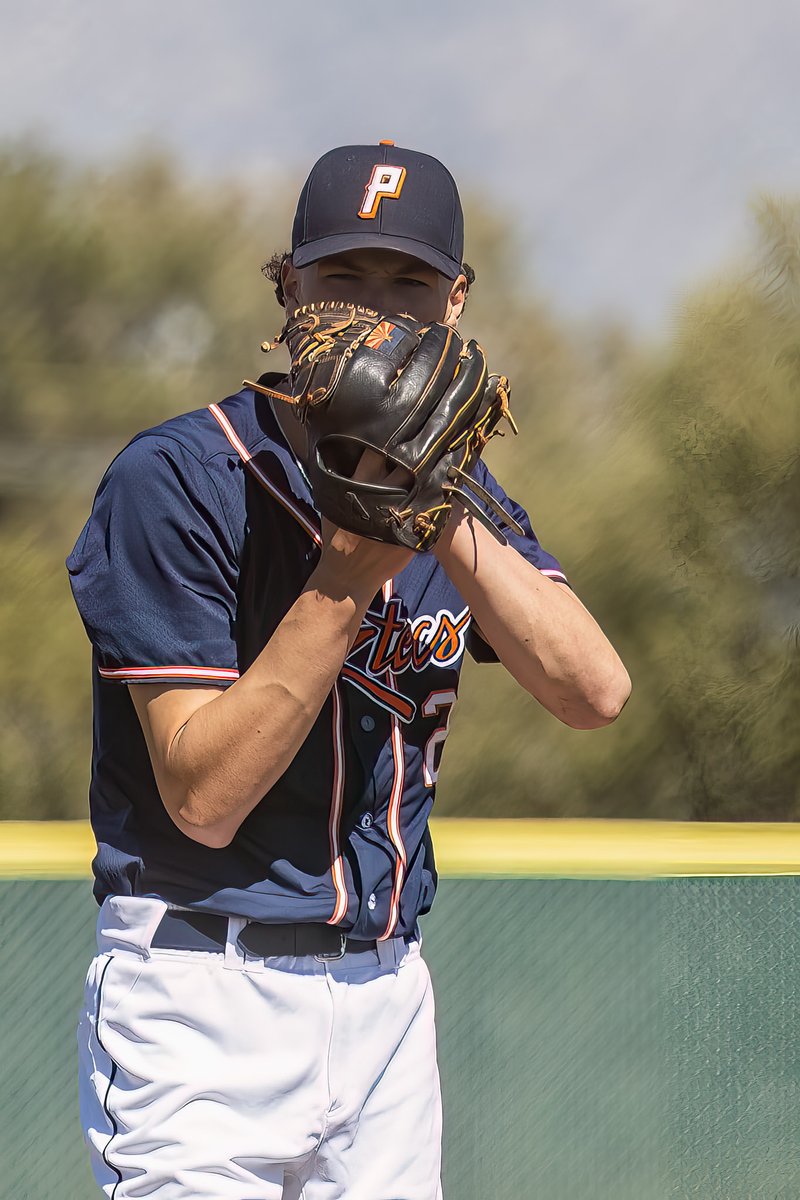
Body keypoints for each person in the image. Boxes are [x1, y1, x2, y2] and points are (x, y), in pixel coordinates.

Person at [67, 140, 631, 1200]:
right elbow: (200, 799)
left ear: (455, 302)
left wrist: (438, 510)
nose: (376, 311)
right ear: (286, 289)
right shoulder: (180, 478)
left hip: (383, 1004)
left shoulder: (457, 496)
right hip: (199, 992)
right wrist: (348, 574)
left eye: (408, 282)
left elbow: (591, 691)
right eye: (343, 277)